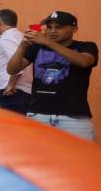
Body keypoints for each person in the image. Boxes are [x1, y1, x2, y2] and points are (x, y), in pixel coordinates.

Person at [7, 10, 96, 141]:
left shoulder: (86, 46)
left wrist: (48, 42)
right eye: (49, 27)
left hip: (73, 118)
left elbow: (83, 61)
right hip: (38, 115)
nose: (53, 31)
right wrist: (22, 46)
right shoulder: (36, 48)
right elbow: (12, 69)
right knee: (38, 159)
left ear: (74, 28)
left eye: (59, 27)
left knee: (78, 160)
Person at [0, 9, 33, 113]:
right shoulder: (19, 35)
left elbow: (16, 62)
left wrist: (11, 85)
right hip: (21, 89)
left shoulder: (6, 38)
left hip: (13, 90)